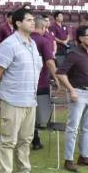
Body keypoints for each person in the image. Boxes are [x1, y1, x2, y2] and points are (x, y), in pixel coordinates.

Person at [0, 8, 44, 173]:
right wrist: (4, 91)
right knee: (8, 140)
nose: (33, 22)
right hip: (13, 99)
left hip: (30, 99)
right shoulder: (9, 44)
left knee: (26, 139)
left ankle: (23, 172)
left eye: (33, 19)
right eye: (29, 20)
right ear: (18, 23)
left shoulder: (32, 44)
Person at [55, 26, 88, 172]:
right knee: (73, 128)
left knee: (87, 127)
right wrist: (71, 90)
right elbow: (61, 73)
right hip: (78, 93)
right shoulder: (74, 54)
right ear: (81, 38)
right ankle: (68, 160)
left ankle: (85, 156)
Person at [30, 16, 56, 149]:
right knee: (40, 113)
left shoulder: (25, 39)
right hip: (41, 82)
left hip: (27, 83)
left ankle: (32, 138)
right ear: (42, 27)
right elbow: (50, 62)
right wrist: (56, 78)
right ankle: (35, 139)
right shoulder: (44, 41)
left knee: (29, 111)